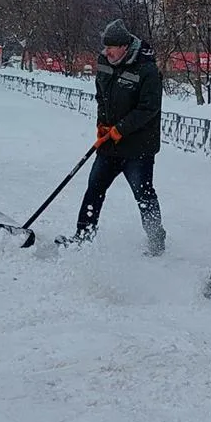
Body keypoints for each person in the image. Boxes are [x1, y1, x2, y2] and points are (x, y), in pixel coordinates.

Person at [58, 19, 167, 256]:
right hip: (109, 144)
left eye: (111, 47)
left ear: (125, 47)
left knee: (144, 194)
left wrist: (120, 129)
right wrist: (102, 125)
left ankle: (157, 242)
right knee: (94, 188)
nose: (106, 52)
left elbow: (149, 108)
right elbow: (101, 97)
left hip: (139, 147)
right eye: (105, 47)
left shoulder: (146, 69)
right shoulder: (104, 62)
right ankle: (83, 236)